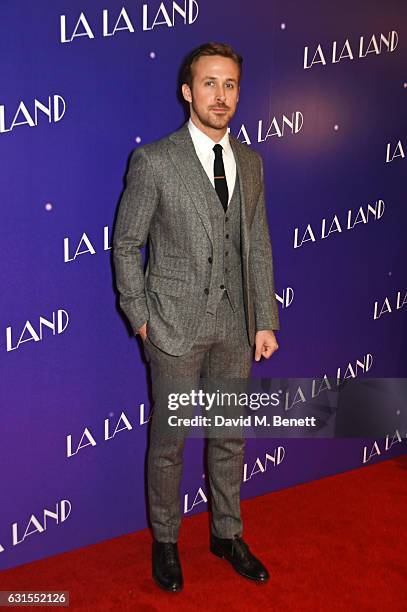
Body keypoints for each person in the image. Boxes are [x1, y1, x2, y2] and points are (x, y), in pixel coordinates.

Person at [113, 42, 280, 592]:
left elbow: (257, 246)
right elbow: (127, 244)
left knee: (230, 436)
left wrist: (264, 321)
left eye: (230, 85)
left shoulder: (251, 163)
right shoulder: (155, 160)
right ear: (188, 91)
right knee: (170, 442)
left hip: (235, 327)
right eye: (209, 83)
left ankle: (226, 533)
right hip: (175, 330)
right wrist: (141, 317)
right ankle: (165, 541)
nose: (221, 96)